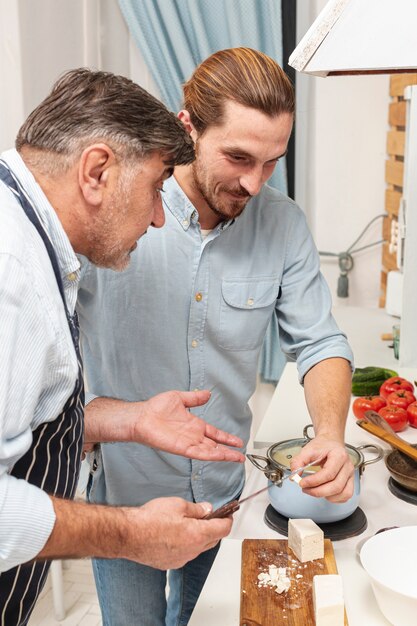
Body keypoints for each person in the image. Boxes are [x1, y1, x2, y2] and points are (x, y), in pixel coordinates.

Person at [77, 48, 355, 626]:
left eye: (272, 162)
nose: (254, 183)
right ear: (188, 128)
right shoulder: (117, 218)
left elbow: (320, 342)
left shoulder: (283, 225)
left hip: (230, 498)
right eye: (238, 157)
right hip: (127, 500)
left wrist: (331, 432)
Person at [0, 68, 246, 626]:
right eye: (158, 185)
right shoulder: (10, 272)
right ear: (97, 172)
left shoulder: (27, 239)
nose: (161, 216)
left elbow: (20, 428)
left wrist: (129, 420)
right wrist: (131, 534)